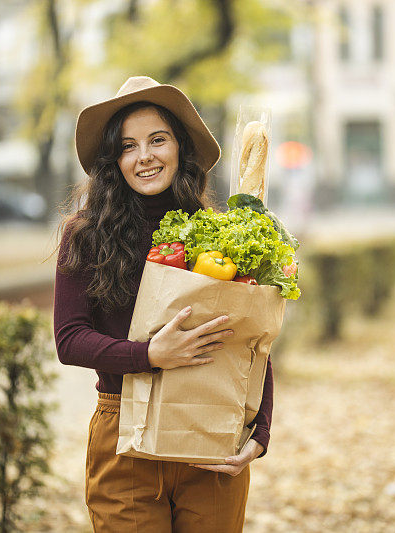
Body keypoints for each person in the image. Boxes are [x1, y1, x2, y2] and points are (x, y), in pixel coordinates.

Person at [52, 76, 273, 532]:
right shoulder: (86, 234)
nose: (145, 156)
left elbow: (252, 339)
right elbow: (69, 339)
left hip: (210, 428)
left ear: (180, 148)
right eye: (129, 146)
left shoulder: (220, 234)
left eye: (158, 139)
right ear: (115, 160)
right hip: (123, 433)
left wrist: (260, 433)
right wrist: (149, 355)